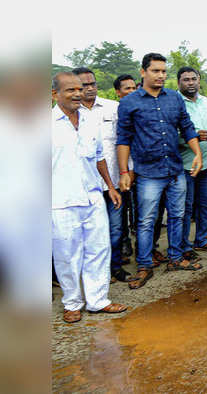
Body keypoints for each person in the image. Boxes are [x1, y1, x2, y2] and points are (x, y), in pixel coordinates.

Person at [116, 53, 204, 289]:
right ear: (143, 72)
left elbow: (186, 127)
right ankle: (144, 264)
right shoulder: (130, 102)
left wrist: (198, 153)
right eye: (156, 71)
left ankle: (176, 258)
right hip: (147, 173)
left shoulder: (174, 98)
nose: (161, 76)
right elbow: (123, 138)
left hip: (175, 169)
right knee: (146, 221)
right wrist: (124, 171)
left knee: (178, 216)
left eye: (164, 71)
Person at [52, 72, 128, 323]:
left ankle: (98, 301)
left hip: (93, 195)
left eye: (79, 89)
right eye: (69, 90)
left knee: (99, 249)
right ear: (55, 94)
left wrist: (110, 186)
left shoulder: (89, 120)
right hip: (60, 200)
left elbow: (99, 157)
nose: (77, 93)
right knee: (67, 253)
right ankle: (72, 302)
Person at [73, 67, 132, 284]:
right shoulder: (69, 113)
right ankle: (91, 273)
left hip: (114, 182)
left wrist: (128, 171)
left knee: (116, 229)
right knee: (87, 233)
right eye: (83, 85)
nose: (89, 88)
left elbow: (125, 141)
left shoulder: (113, 108)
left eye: (93, 84)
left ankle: (114, 268)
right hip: (84, 186)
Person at [177, 66, 207, 263]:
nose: (190, 83)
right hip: (186, 165)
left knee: (205, 204)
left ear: (199, 80)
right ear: (179, 82)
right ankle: (183, 245)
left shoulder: (206, 102)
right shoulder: (176, 103)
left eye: (193, 79)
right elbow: (170, 134)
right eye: (186, 79)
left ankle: (202, 239)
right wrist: (191, 138)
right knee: (186, 207)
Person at [113, 74, 138, 259]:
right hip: (119, 169)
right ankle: (123, 242)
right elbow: (121, 142)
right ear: (118, 92)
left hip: (137, 166)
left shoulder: (140, 109)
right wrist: (125, 170)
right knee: (121, 209)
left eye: (133, 88)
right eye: (126, 88)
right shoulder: (113, 111)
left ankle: (133, 241)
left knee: (136, 207)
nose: (130, 91)